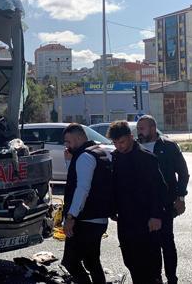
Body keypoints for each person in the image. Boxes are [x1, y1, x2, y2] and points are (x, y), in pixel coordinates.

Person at [107, 121, 166, 284]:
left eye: (122, 142)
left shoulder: (147, 158)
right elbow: (114, 186)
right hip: (126, 219)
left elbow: (158, 189)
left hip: (147, 219)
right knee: (131, 261)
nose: (119, 146)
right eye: (115, 143)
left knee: (150, 264)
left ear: (131, 138)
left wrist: (156, 215)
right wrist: (112, 209)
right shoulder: (116, 158)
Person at [136, 115, 189, 284]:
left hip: (166, 203)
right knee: (150, 244)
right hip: (143, 205)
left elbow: (183, 172)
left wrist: (180, 197)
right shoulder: (136, 147)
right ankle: (155, 277)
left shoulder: (169, 146)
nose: (139, 132)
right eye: (138, 129)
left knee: (166, 242)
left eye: (142, 128)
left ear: (152, 128)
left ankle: (171, 278)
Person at [60, 124, 112, 284]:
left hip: (85, 220)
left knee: (70, 262)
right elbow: (79, 180)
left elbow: (82, 188)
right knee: (91, 261)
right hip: (99, 218)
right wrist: (70, 162)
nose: (67, 146)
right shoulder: (100, 152)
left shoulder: (84, 157)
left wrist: (70, 216)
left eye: (69, 141)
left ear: (79, 138)